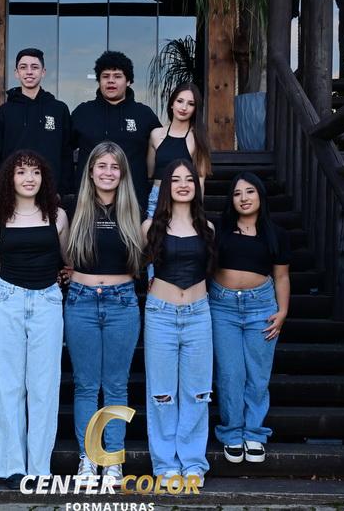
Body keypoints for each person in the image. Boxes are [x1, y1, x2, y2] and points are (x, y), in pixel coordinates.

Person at [0, 150, 69, 489]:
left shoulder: (57, 216)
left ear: (44, 177)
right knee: (9, 386)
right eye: (21, 172)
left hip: (47, 300)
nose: (29, 178)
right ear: (10, 178)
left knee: (44, 387)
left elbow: (68, 258)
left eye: (35, 172)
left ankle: (39, 468)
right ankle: (11, 467)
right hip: (8, 300)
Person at [64, 141, 144, 485]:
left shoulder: (133, 210)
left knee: (115, 385)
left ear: (122, 173)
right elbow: (63, 254)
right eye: (102, 166)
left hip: (122, 302)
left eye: (114, 167)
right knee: (85, 385)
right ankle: (88, 458)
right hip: (80, 301)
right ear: (91, 171)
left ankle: (112, 459)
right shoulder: (75, 208)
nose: (108, 173)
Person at [141, 159, 215, 488]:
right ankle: (165, 464)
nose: (183, 184)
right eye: (176, 179)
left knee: (197, 392)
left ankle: (193, 462)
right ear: (166, 187)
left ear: (196, 187)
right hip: (160, 314)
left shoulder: (207, 228)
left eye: (189, 179)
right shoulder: (150, 227)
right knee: (161, 393)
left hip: (199, 313)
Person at [211, 171, 291, 464]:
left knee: (258, 374)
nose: (243, 198)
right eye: (237, 193)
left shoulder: (276, 234)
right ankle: (232, 432)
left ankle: (254, 433)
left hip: (262, 308)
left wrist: (283, 311)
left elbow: (281, 276)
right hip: (222, 308)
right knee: (230, 373)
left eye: (249, 192)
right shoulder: (218, 230)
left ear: (260, 195)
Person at [71, 51, 161, 208]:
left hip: (133, 202)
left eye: (117, 76)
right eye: (105, 76)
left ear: (128, 81)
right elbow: (63, 151)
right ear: (99, 80)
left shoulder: (144, 115)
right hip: (89, 203)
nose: (111, 81)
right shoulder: (83, 113)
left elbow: (162, 154)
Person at [0, 48, 72, 197]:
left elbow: (66, 155)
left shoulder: (59, 109)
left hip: (50, 194)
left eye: (35, 67)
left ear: (43, 72)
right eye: (23, 67)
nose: (29, 72)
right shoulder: (5, 111)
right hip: (13, 193)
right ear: (16, 73)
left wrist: (62, 191)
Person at [146, 82, 211, 218]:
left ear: (195, 109)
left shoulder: (197, 138)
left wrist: (197, 214)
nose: (184, 107)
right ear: (172, 104)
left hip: (183, 201)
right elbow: (150, 173)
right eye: (180, 101)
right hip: (157, 198)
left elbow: (200, 180)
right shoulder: (156, 134)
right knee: (150, 231)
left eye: (191, 104)